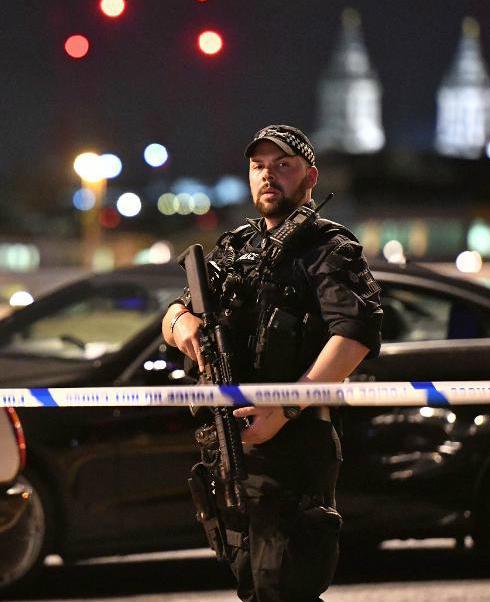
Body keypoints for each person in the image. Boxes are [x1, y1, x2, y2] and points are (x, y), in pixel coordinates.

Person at [162, 125, 383, 602]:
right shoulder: (237, 246)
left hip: (295, 443)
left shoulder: (328, 246)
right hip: (231, 444)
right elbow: (174, 312)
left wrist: (284, 410)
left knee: (284, 586)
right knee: (256, 585)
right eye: (259, 166)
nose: (268, 176)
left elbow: (356, 335)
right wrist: (185, 328)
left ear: (309, 177)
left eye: (283, 166)